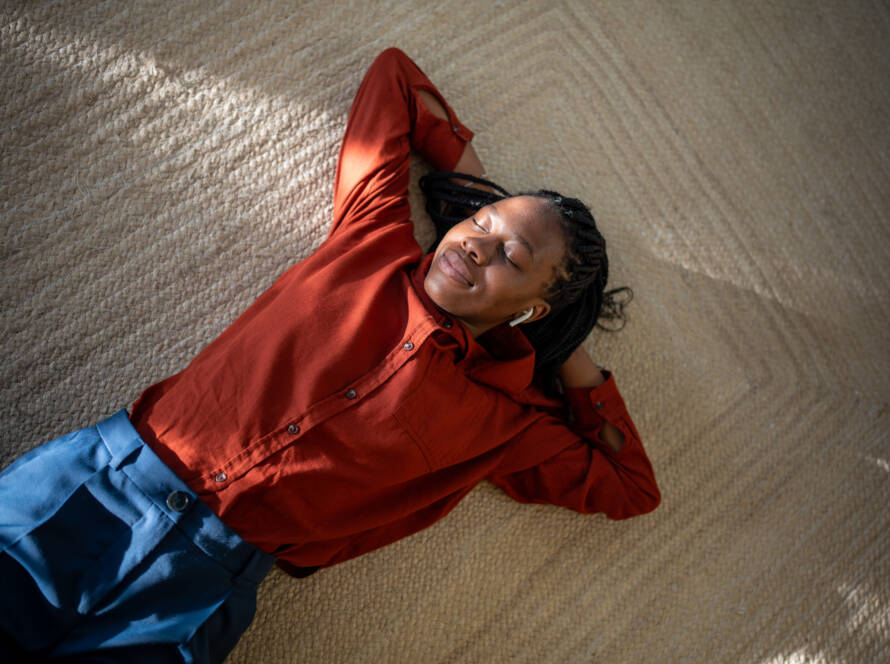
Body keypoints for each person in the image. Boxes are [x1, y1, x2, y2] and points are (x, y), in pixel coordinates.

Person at [0, 48, 660, 662]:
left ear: (535, 308)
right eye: (478, 225)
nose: (476, 246)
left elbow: (630, 486)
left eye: (511, 256)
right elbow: (396, 80)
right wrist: (476, 190)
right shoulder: (373, 240)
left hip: (195, 589)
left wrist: (564, 347)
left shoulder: (506, 423)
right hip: (102, 482)